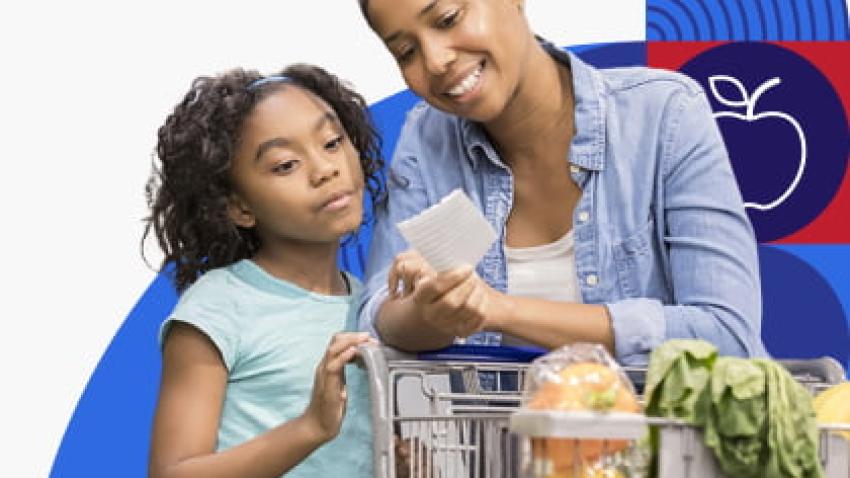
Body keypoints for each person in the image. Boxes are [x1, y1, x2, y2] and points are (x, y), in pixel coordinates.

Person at [356, 0, 768, 365]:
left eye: (447, 19)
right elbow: (379, 316)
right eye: (405, 52)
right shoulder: (427, 141)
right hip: (505, 451)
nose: (434, 60)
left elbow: (726, 335)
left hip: (675, 449)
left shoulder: (663, 116)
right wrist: (428, 313)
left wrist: (498, 310)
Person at [143, 64, 383, 477]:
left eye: (331, 142)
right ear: (239, 207)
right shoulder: (219, 307)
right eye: (285, 165)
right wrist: (310, 428)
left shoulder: (372, 305)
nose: (326, 169)